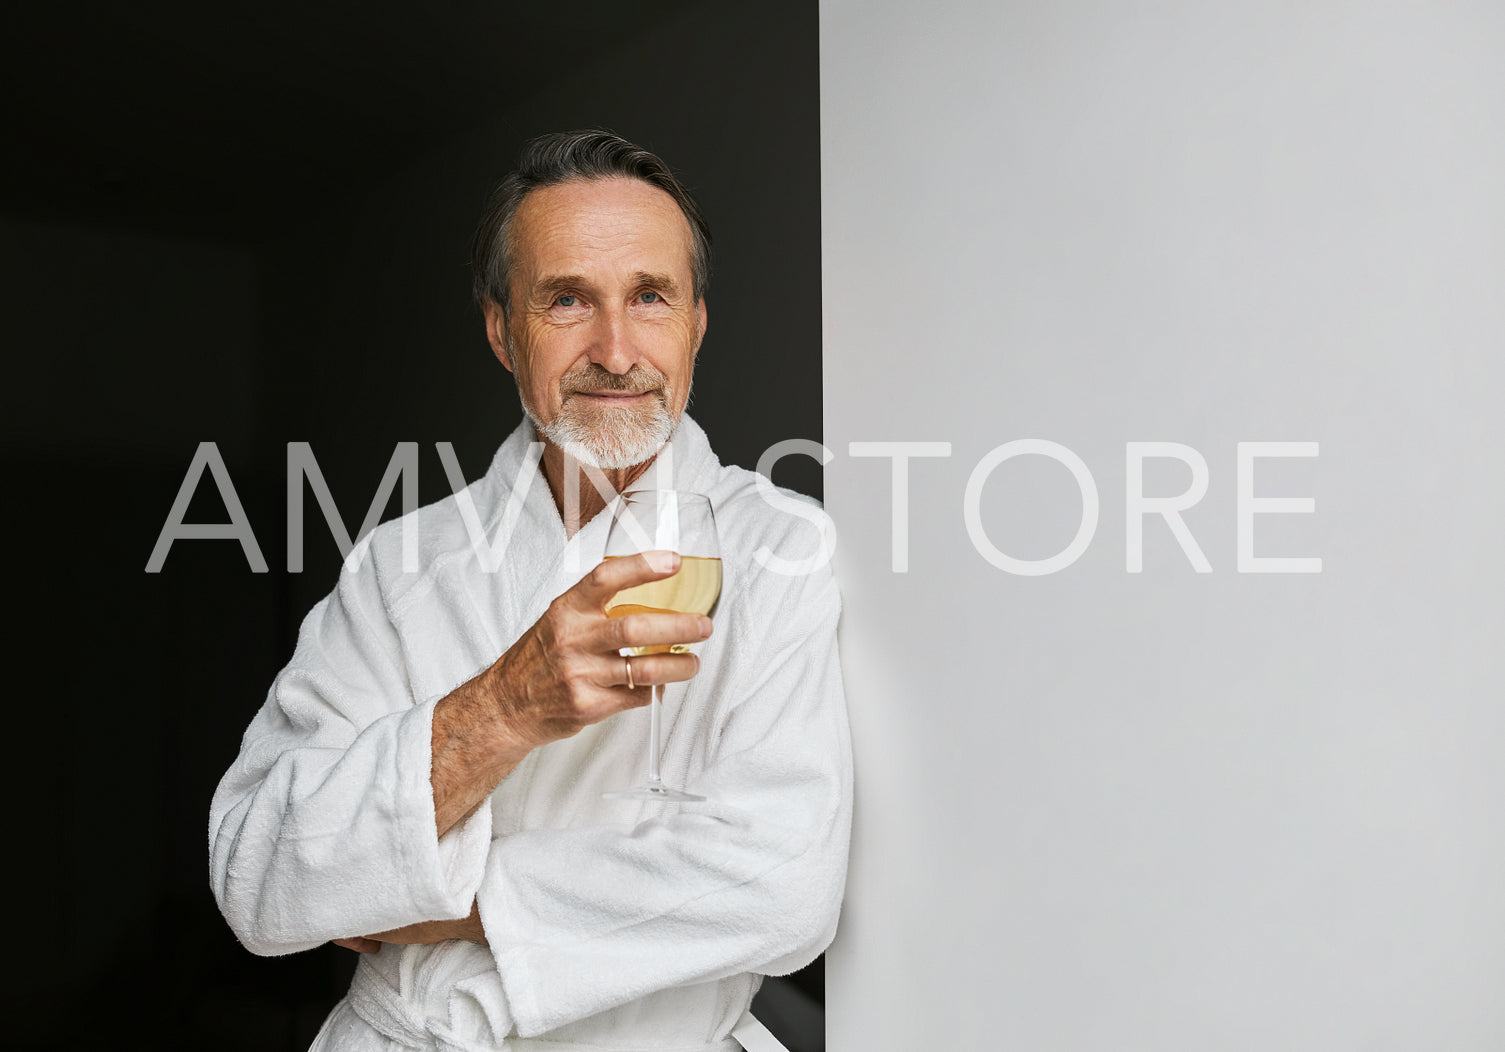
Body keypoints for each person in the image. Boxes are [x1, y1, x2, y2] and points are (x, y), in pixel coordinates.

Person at [209, 130, 852, 1052]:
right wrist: (504, 707)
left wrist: (419, 898)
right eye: (565, 300)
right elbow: (255, 879)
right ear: (501, 331)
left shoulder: (779, 547)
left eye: (650, 297)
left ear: (696, 324)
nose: (616, 348)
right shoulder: (397, 568)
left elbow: (782, 884)